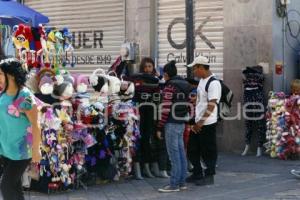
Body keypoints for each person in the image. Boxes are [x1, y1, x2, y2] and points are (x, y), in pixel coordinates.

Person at [0, 58, 41, 200]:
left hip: (22, 151)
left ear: (10, 75)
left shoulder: (25, 96)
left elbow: (36, 125)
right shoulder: (3, 94)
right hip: (6, 149)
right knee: (15, 186)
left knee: (6, 185)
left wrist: (36, 150)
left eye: (0, 74)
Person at [186, 55, 221, 186]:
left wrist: (200, 122)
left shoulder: (214, 83)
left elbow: (212, 104)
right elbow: (203, 99)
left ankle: (209, 176)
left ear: (201, 67)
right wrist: (197, 100)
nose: (194, 71)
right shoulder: (202, 81)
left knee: (208, 150)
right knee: (192, 149)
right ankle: (197, 173)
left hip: (207, 123)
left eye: (195, 68)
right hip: (198, 120)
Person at [157, 60, 190, 193]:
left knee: (173, 155)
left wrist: (159, 126)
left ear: (166, 74)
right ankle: (182, 182)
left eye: (163, 75)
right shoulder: (185, 85)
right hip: (181, 122)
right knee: (181, 153)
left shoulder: (170, 86)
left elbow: (165, 109)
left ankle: (174, 184)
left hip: (171, 123)